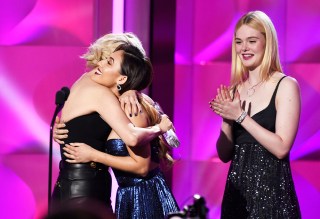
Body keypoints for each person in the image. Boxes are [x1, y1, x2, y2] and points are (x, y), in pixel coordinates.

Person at [50, 33, 173, 216]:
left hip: (69, 184)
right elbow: (132, 137)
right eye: (104, 59)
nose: (97, 65)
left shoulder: (89, 83)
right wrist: (160, 128)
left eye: (108, 61)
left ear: (123, 77)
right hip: (85, 188)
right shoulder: (102, 94)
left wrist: (131, 91)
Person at [209, 11, 301, 218]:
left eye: (252, 41)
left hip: (273, 196)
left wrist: (240, 116)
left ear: (267, 43)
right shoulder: (235, 91)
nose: (244, 48)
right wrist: (227, 118)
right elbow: (224, 155)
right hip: (237, 194)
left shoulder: (285, 85)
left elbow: (281, 147)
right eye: (239, 42)